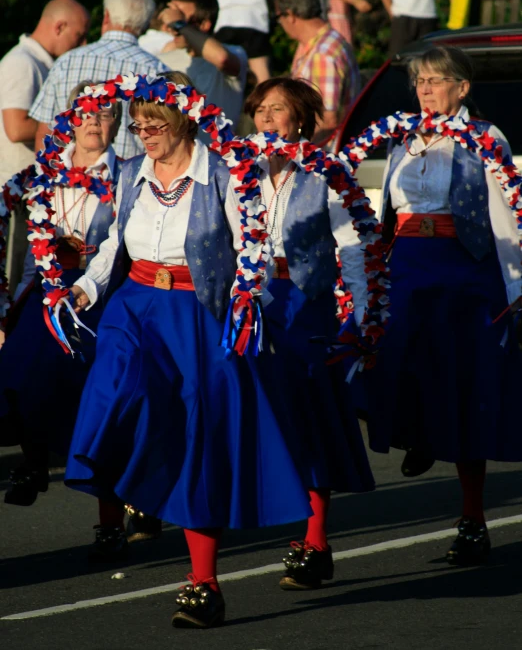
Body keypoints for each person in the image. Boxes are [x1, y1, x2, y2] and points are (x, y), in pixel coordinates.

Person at [63, 76, 313, 628]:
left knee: (200, 439)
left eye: (155, 124)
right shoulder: (130, 174)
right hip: (134, 306)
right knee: (112, 396)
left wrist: (249, 297)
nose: (143, 133)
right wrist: (88, 286)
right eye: (138, 124)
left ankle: (203, 583)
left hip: (197, 315)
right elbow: (113, 241)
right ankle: (139, 489)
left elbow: (254, 244)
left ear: (184, 122)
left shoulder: (221, 172)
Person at [360, 46, 522, 565]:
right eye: (420, 82)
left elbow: (504, 218)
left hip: (462, 268)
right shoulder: (405, 137)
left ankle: (472, 518)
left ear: (462, 89)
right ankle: (419, 434)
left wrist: (515, 290)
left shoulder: (485, 136)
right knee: (394, 358)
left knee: (464, 387)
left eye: (435, 81)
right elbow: (386, 210)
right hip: (407, 261)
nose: (426, 89)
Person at [244, 76, 374, 590]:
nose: (267, 118)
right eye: (260, 109)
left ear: (300, 118)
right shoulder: (241, 168)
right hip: (256, 303)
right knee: (264, 416)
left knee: (311, 417)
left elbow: (352, 246)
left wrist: (361, 314)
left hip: (307, 304)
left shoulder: (326, 171)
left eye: (278, 110)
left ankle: (316, 541)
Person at [0, 82, 130, 559]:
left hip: (102, 291)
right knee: (17, 370)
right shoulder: (42, 175)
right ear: (69, 121)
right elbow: (30, 246)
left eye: (106, 115)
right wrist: (14, 300)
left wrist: (86, 287)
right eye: (88, 115)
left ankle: (111, 519)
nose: (96, 123)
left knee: (102, 402)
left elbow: (117, 245)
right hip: (48, 290)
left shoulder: (127, 176)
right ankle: (34, 462)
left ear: (117, 124)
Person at [0, 0, 90, 291]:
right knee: (12, 278)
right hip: (12, 192)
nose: (83, 43)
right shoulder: (22, 63)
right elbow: (14, 128)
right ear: (60, 26)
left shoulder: (38, 62)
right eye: (79, 35)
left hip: (26, 189)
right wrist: (67, 127)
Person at [29, 0, 168, 159]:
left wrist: (47, 177)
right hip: (131, 178)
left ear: (107, 16)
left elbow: (46, 131)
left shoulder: (67, 62)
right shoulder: (157, 71)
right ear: (145, 24)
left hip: (71, 178)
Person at [275, 0, 360, 148]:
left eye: (278, 18)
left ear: (290, 15)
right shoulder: (331, 41)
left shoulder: (322, 54)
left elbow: (326, 121)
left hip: (321, 160)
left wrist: (298, 158)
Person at [157, 0, 248, 134]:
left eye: (181, 19)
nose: (173, 28)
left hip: (219, 155)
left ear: (205, 24)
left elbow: (222, 59)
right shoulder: (163, 61)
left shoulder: (235, 53)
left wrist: (180, 24)